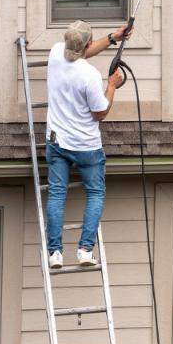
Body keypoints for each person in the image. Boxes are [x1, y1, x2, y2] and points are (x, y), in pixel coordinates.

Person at [44, 20, 132, 268]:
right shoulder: (90, 75)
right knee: (95, 193)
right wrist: (112, 86)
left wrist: (113, 38)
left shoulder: (55, 53)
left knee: (56, 194)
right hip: (86, 147)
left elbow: (82, 51)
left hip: (57, 142)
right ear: (87, 44)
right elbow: (100, 113)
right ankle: (84, 250)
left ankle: (55, 254)